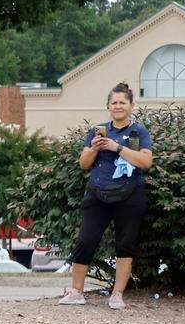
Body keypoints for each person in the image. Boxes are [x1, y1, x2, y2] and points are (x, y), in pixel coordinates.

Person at [59, 82, 153, 310]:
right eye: (114, 103)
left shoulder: (138, 132)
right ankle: (76, 291)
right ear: (108, 106)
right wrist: (94, 148)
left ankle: (117, 295)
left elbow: (146, 162)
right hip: (97, 193)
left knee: (125, 243)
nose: (118, 106)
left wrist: (116, 147)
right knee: (85, 241)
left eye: (122, 102)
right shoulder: (96, 130)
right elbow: (83, 164)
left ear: (132, 105)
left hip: (130, 194)